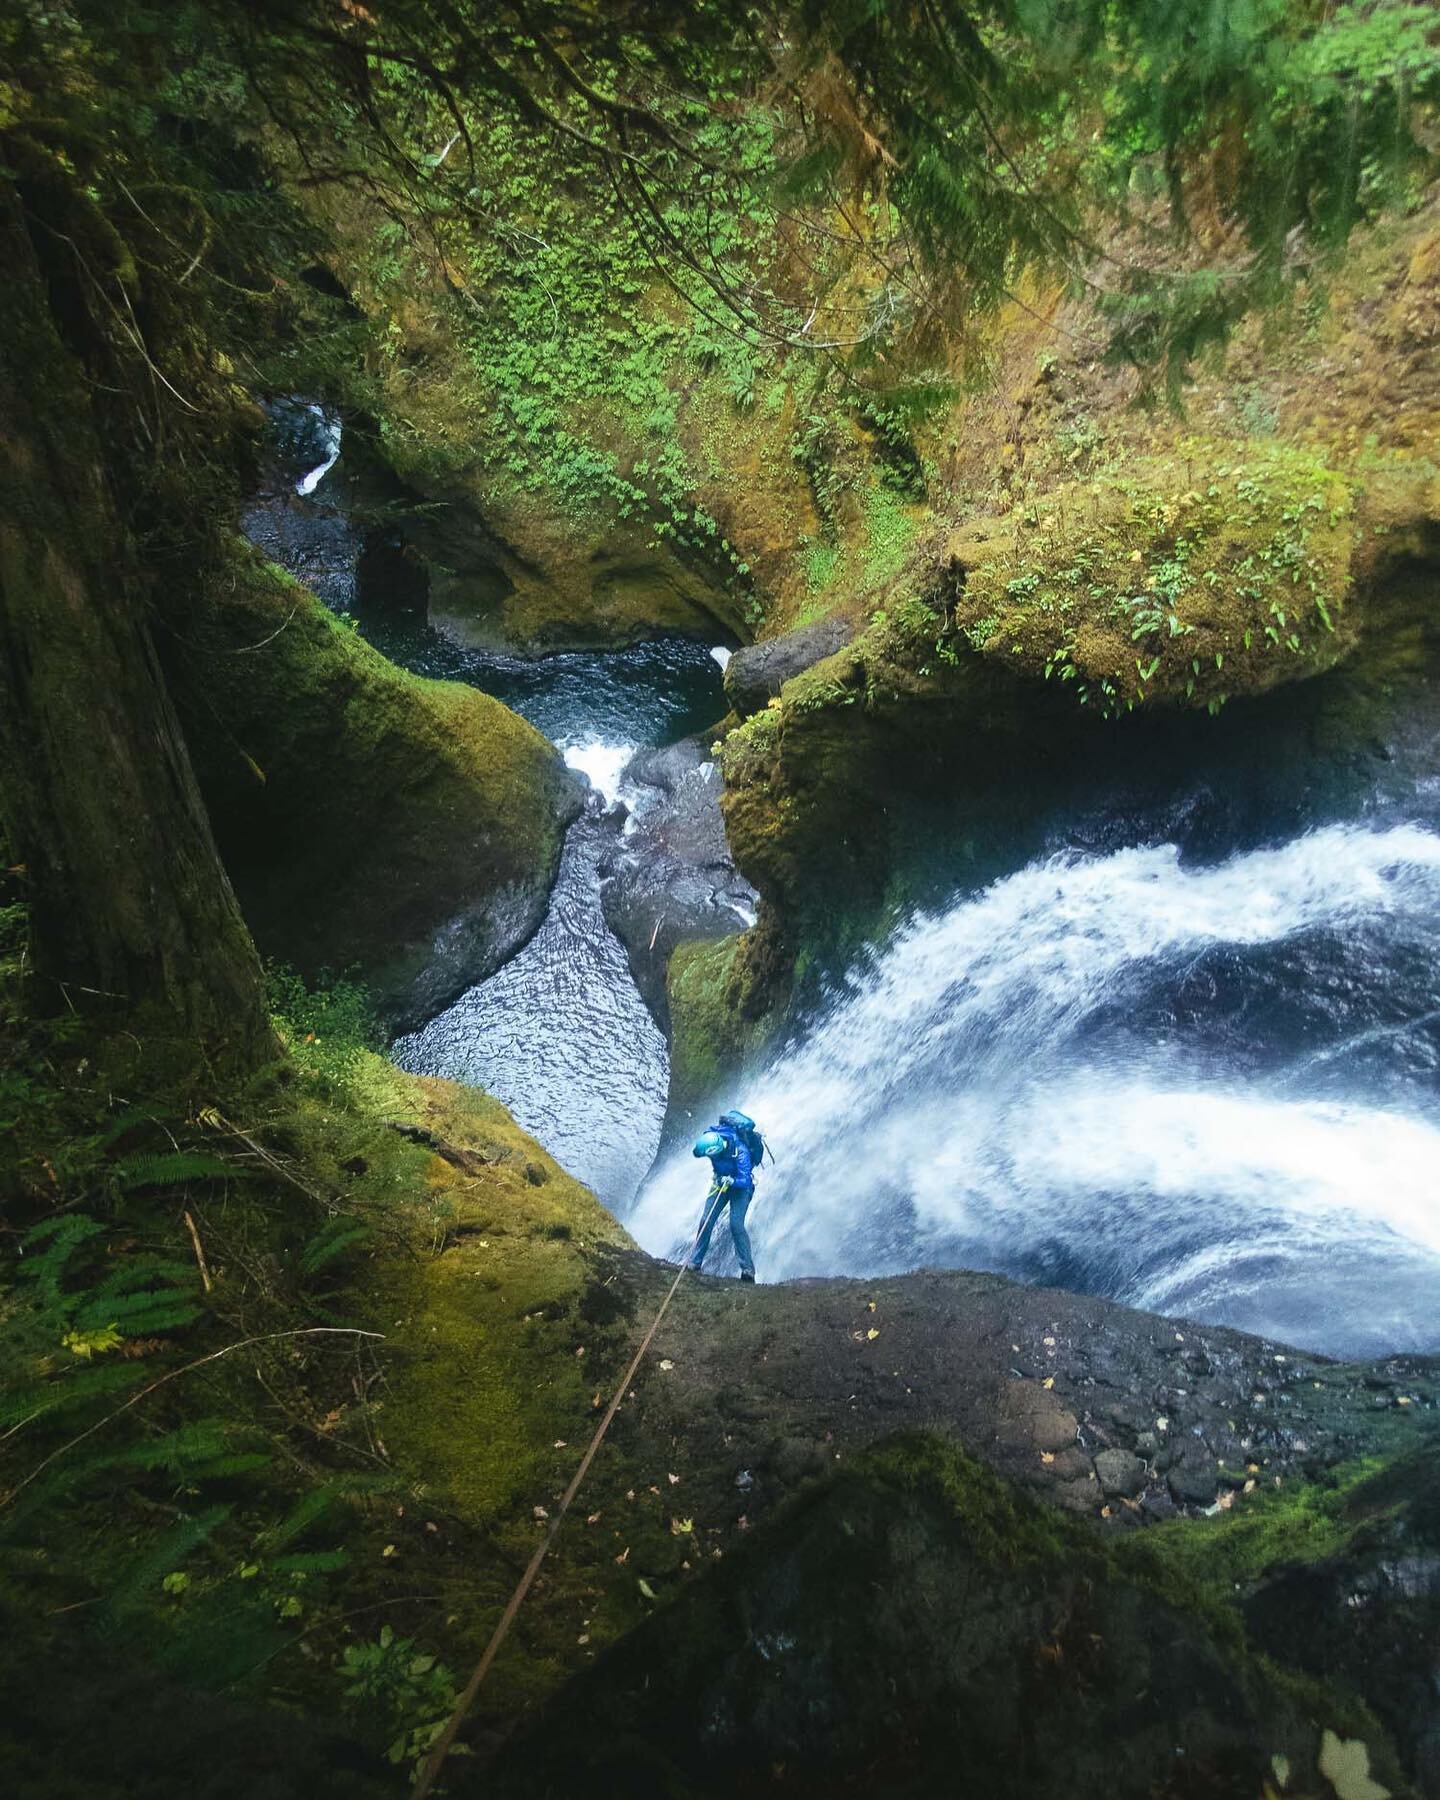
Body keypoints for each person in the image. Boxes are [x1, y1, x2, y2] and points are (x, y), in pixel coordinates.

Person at [688, 1110, 763, 1282]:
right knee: (705, 1220)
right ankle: (694, 1262)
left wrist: (731, 1181)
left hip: (740, 1188)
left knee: (736, 1225)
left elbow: (744, 1179)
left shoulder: (740, 1150)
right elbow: (698, 1152)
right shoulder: (710, 1139)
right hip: (720, 1182)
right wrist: (722, 1179)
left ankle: (748, 1270)